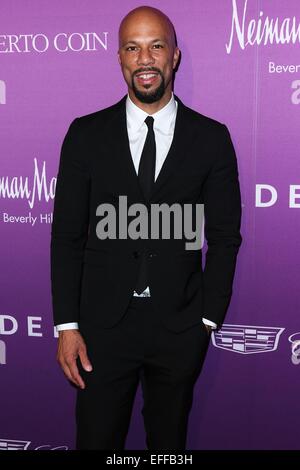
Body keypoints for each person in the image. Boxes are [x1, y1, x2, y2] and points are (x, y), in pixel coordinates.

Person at [50, 6, 242, 450]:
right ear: (120, 58)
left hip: (179, 328)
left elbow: (225, 237)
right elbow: (67, 237)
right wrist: (67, 326)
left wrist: (207, 320)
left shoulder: (212, 138)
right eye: (133, 48)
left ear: (174, 56)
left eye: (156, 46)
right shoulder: (85, 134)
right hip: (100, 331)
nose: (145, 59)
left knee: (168, 448)